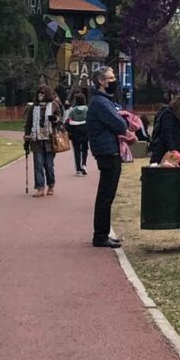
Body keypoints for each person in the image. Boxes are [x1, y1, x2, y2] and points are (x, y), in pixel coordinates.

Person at [86, 66, 128, 249]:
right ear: (101, 81)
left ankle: (102, 233)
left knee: (106, 194)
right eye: (110, 78)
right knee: (106, 194)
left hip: (108, 149)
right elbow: (119, 124)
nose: (114, 81)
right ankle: (101, 235)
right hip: (107, 151)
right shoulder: (100, 103)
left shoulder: (103, 101)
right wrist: (122, 120)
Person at [23, 85, 62, 197]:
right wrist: (26, 135)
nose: (40, 95)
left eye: (43, 93)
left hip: (50, 139)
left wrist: (55, 119)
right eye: (39, 93)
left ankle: (51, 185)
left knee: (48, 164)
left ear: (47, 94)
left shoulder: (54, 105)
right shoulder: (33, 107)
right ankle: (40, 187)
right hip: (36, 139)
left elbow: (60, 120)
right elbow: (28, 122)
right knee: (38, 164)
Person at [149, 95, 180, 164]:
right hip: (165, 149)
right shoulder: (168, 115)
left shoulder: (175, 116)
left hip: (174, 147)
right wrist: (172, 149)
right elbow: (167, 132)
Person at [64, 92, 90, 176]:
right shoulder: (87, 109)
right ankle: (84, 165)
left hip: (75, 133)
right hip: (85, 132)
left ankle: (78, 169)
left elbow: (68, 121)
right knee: (85, 149)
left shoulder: (72, 111)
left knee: (77, 151)